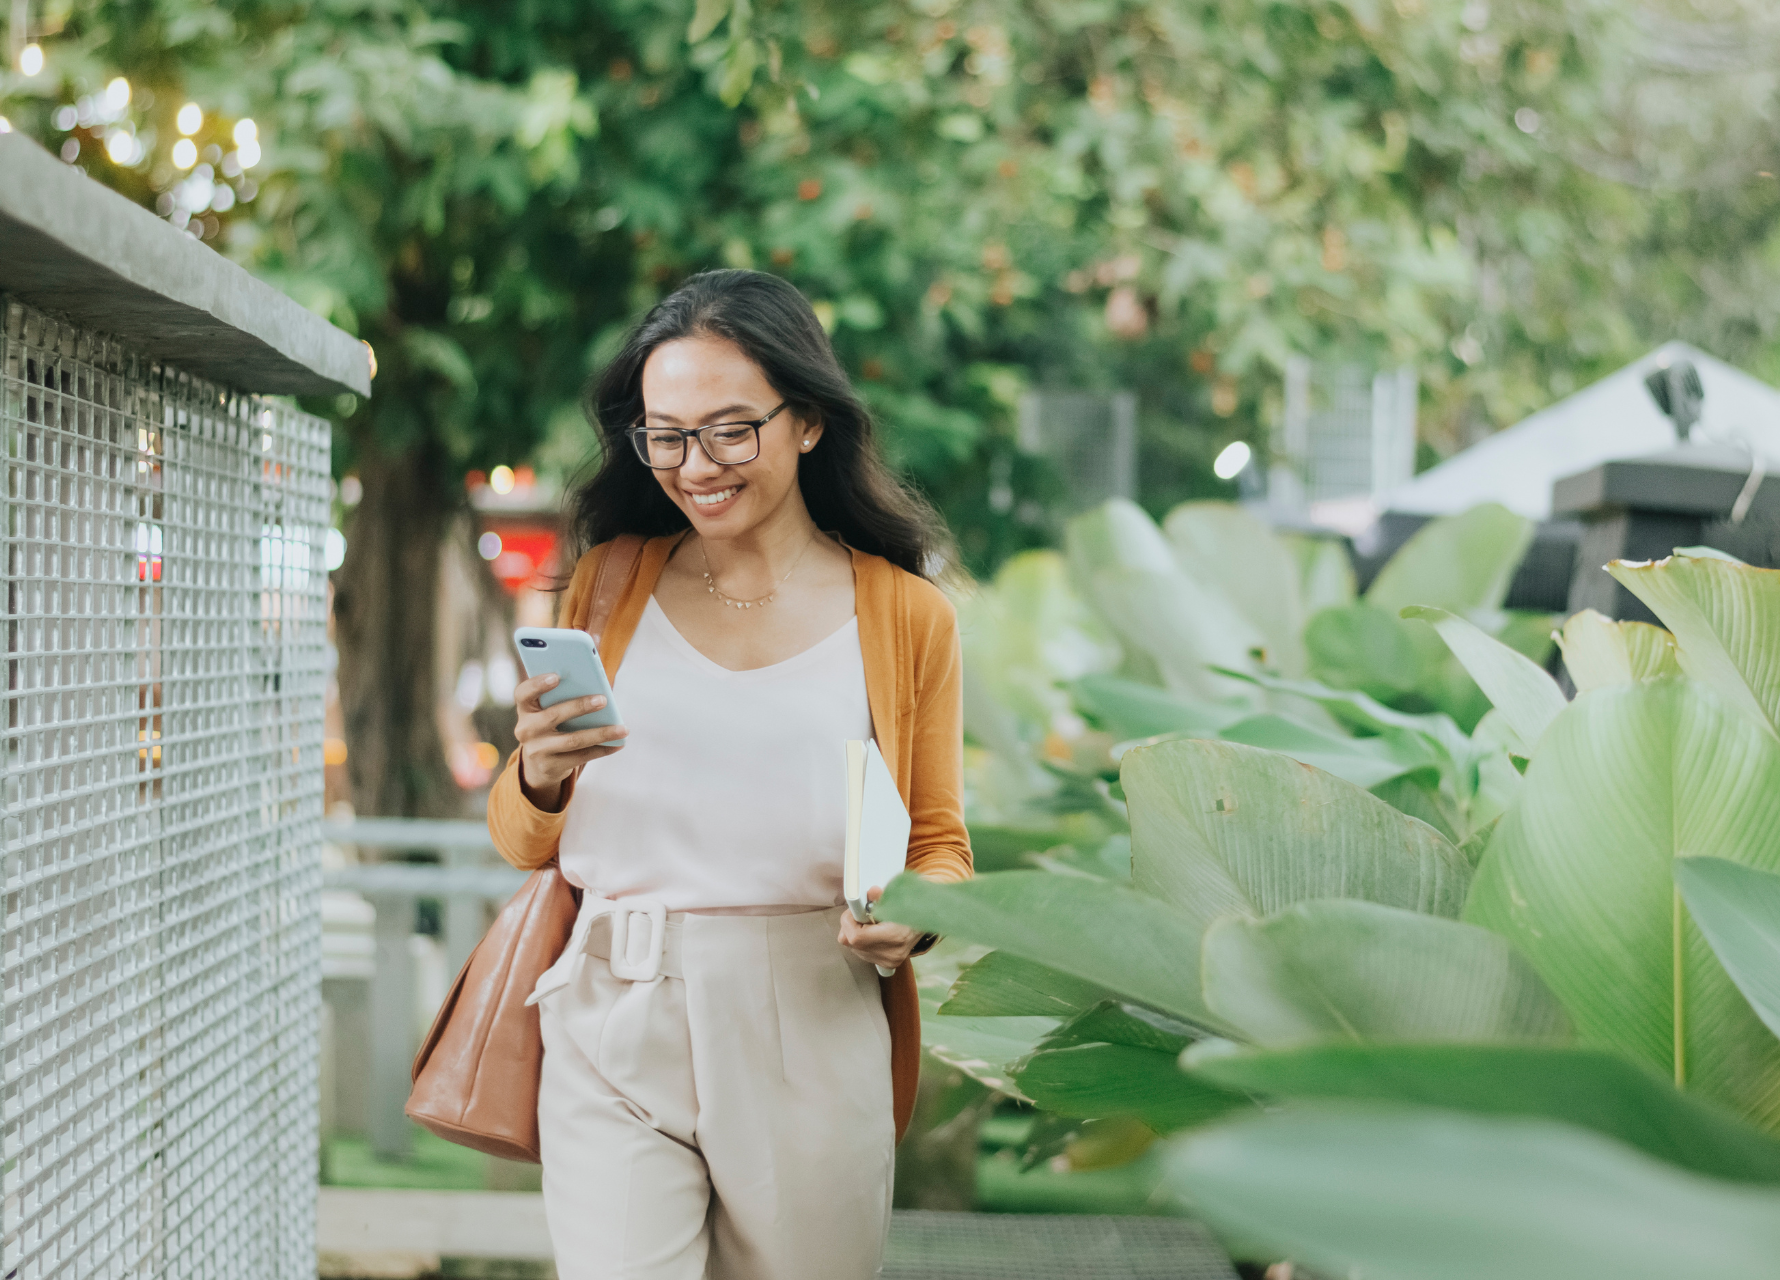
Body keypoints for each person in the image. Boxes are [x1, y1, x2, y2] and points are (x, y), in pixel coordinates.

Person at [486, 269, 973, 1280]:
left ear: (809, 422)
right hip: (612, 1007)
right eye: (665, 436)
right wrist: (535, 774)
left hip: (812, 1008)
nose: (695, 466)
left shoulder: (904, 614)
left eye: (730, 431)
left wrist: (912, 915)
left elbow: (938, 845)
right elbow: (524, 839)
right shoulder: (609, 581)